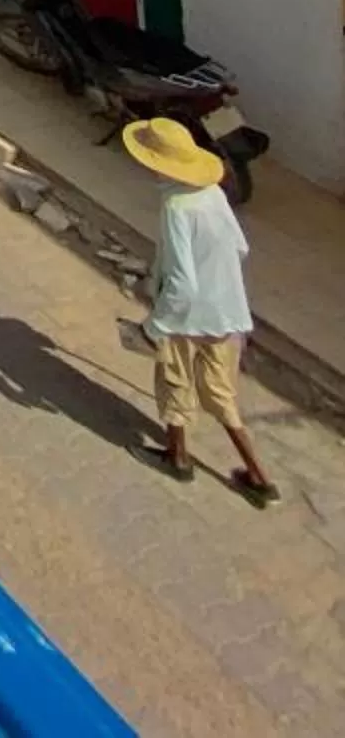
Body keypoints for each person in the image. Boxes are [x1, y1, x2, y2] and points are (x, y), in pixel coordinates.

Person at [125, 117, 277, 504]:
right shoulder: (211, 193)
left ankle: (178, 457)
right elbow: (240, 247)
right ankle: (260, 479)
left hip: (186, 316)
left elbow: (182, 283)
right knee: (221, 394)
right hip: (227, 313)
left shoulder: (176, 206)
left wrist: (153, 327)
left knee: (174, 381)